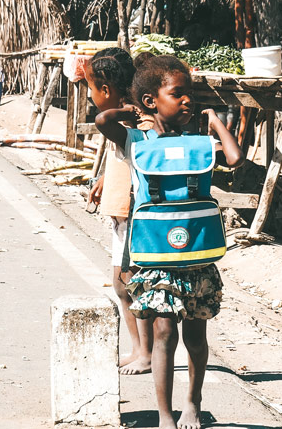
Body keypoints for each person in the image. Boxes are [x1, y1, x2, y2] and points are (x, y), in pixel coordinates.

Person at [95, 54, 243, 429]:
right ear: (151, 100)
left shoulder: (199, 142)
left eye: (190, 94)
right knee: (163, 333)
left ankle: (192, 403)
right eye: (178, 94)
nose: (188, 101)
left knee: (196, 336)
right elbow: (102, 120)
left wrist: (213, 121)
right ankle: (165, 414)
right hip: (157, 259)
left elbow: (235, 157)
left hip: (196, 256)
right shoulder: (136, 140)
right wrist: (131, 110)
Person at [85, 47, 155, 375]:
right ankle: (138, 348)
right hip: (120, 211)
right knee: (121, 285)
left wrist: (127, 110)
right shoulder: (125, 124)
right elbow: (121, 159)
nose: (88, 94)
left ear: (106, 91)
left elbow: (110, 129)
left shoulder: (130, 123)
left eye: (90, 87)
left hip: (132, 214)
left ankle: (145, 352)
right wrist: (103, 179)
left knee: (130, 284)